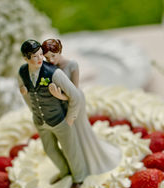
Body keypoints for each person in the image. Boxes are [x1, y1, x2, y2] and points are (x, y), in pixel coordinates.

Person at [41, 38, 120, 180]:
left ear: (59, 51)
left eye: (53, 55)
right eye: (47, 57)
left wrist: (59, 95)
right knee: (71, 137)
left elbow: (75, 91)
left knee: (80, 131)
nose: (51, 60)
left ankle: (92, 163)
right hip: (61, 103)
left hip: (75, 101)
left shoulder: (72, 65)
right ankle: (77, 165)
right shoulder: (49, 68)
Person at [18, 39, 88, 188]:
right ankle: (64, 172)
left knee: (70, 149)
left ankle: (79, 177)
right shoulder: (22, 72)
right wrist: (33, 111)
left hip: (59, 119)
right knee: (50, 150)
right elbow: (25, 94)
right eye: (34, 57)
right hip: (40, 121)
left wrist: (70, 117)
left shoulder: (54, 72)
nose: (39, 59)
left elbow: (75, 95)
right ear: (25, 58)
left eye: (40, 55)